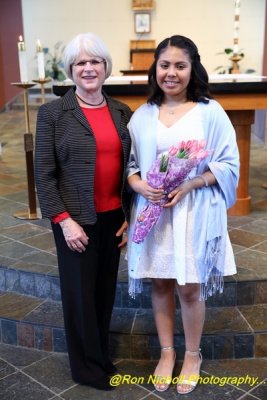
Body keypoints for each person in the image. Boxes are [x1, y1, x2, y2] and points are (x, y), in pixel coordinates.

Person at [126, 35, 240, 395]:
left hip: (193, 211)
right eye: (165, 65)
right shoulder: (142, 115)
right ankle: (166, 352)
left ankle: (192, 354)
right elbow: (131, 165)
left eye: (180, 65)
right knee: (160, 282)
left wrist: (191, 184)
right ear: (155, 68)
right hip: (154, 211)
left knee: (189, 287)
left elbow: (228, 164)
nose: (171, 73)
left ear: (193, 69)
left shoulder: (210, 111)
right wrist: (140, 185)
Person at [34, 32, 132, 391]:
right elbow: (43, 175)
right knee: (79, 295)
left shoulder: (122, 111)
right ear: (70, 70)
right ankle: (86, 368)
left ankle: (101, 356)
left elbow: (131, 168)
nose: (88, 68)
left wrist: (130, 217)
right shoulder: (53, 114)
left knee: (104, 292)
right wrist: (63, 221)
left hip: (113, 218)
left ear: (106, 67)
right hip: (76, 220)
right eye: (80, 63)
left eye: (95, 61)